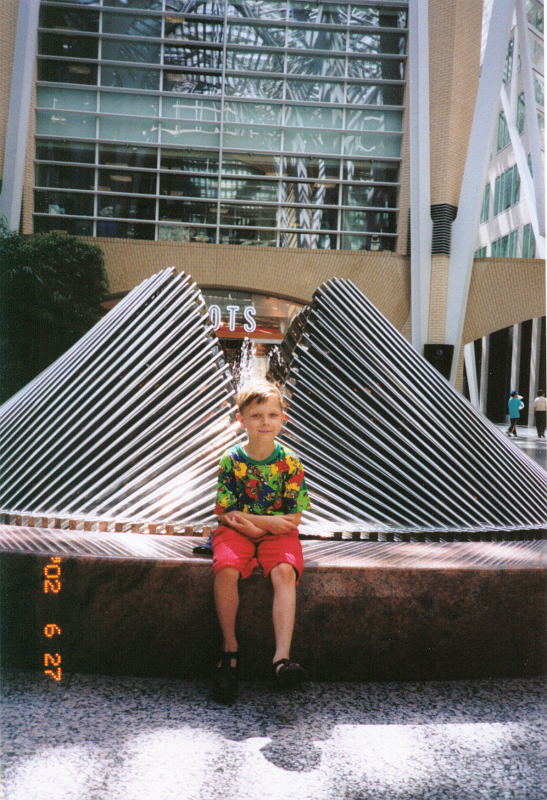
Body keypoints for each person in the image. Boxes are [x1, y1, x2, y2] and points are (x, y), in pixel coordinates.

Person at [211, 380, 311, 703]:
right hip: (239, 531)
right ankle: (230, 651)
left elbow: (293, 519)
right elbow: (226, 513)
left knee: (285, 572)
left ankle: (282, 659)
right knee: (226, 568)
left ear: (284, 418)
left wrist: (255, 525)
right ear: (241, 420)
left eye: (272, 414)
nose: (265, 422)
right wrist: (262, 526)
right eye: (256, 416)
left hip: (277, 533)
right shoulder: (231, 460)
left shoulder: (291, 463)